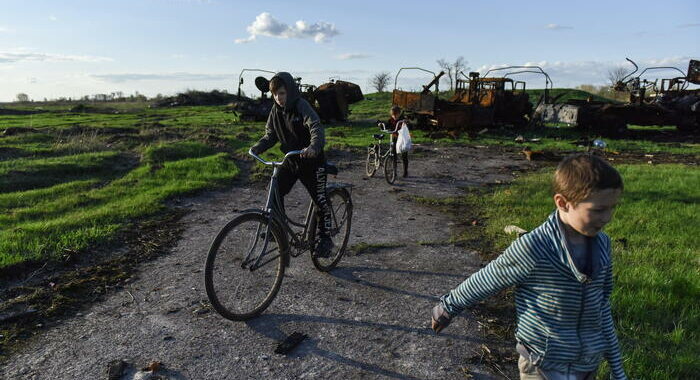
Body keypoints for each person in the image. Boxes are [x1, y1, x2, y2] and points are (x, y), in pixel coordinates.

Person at [431, 153, 627, 380]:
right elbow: (488, 278)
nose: (608, 217)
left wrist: (617, 368)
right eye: (598, 210)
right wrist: (447, 308)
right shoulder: (534, 247)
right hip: (541, 363)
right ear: (563, 203)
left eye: (612, 208)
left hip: (586, 363)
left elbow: (603, 306)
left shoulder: (603, 245)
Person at [250, 72, 334, 257]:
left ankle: (326, 238)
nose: (278, 98)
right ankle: (277, 228)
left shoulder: (301, 105)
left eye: (281, 93)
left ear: (290, 91)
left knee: (320, 199)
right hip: (291, 160)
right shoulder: (275, 111)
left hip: (312, 162)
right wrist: (257, 148)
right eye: (275, 94)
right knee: (274, 192)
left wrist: (314, 146)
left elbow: (315, 126)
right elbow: (270, 135)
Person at [386, 105, 409, 178]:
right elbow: (387, 126)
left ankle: (405, 171)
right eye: (393, 115)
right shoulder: (390, 120)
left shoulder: (402, 120)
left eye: (396, 115)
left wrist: (406, 122)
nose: (394, 116)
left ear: (399, 113)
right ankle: (394, 172)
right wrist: (381, 125)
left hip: (402, 139)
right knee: (393, 155)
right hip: (395, 138)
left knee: (404, 155)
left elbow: (408, 126)